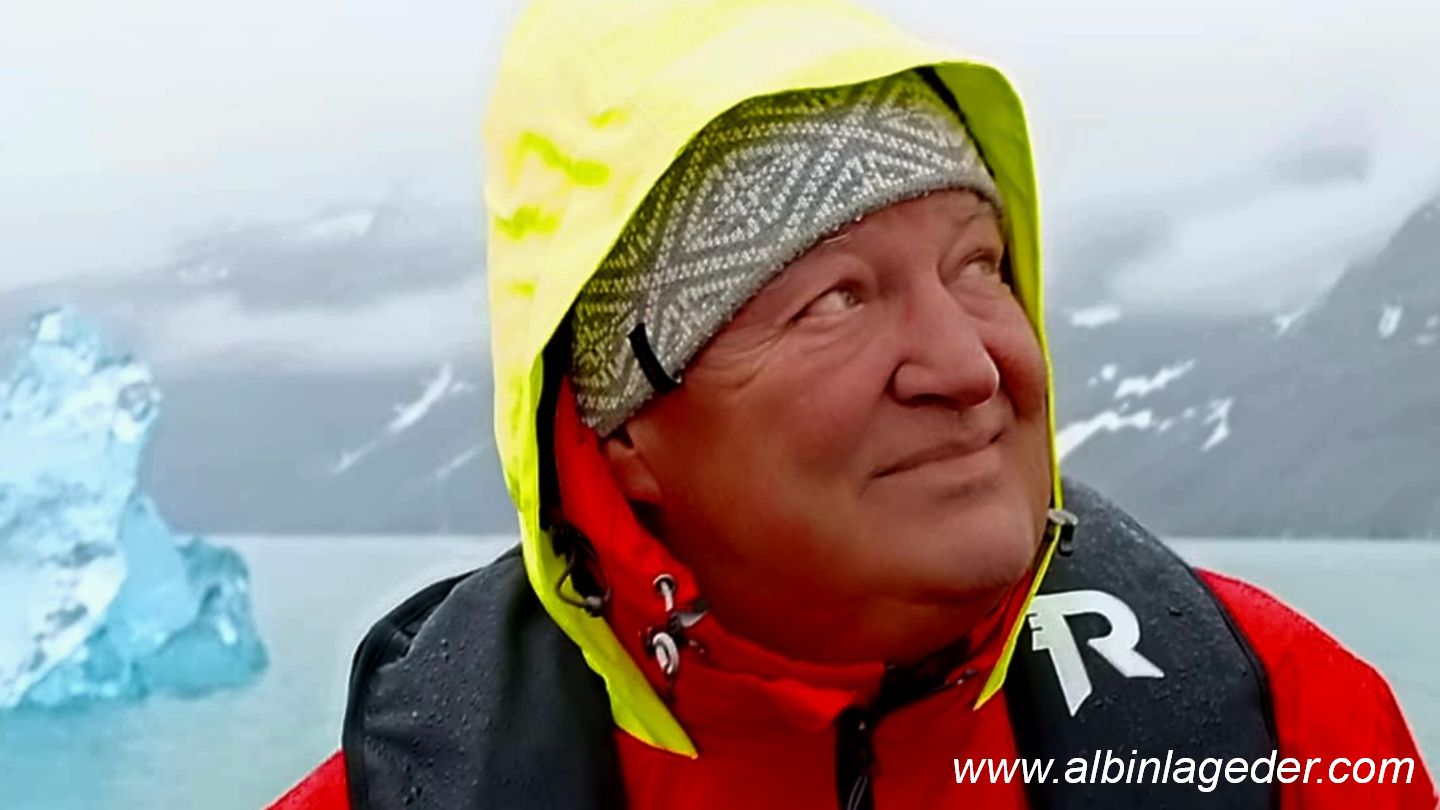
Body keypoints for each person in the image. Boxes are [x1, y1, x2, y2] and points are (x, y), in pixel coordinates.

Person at [271, 1, 1436, 807]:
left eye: (980, 266)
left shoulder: (1293, 739)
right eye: (835, 299)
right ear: (624, 426)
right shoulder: (423, 789)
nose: (967, 365)